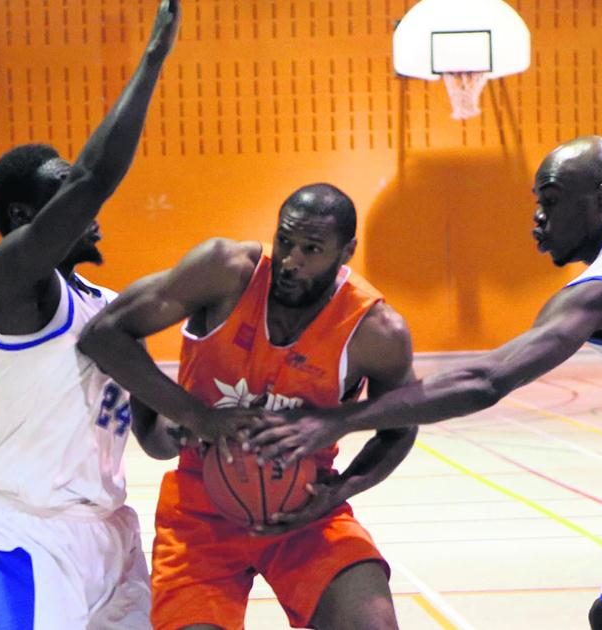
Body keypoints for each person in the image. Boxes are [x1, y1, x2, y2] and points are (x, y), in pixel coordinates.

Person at [247, 136, 602, 630]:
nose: (538, 217)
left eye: (551, 201)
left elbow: (484, 379)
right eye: (538, 202)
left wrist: (339, 419)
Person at [78, 182, 419, 630]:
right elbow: (105, 335)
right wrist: (194, 416)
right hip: (201, 512)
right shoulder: (226, 272)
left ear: (347, 250)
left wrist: (342, 490)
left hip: (305, 513)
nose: (291, 261)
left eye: (312, 249)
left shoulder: (376, 331)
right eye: (285, 241)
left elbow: (401, 426)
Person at [0, 2, 180, 628]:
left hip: (111, 534)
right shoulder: (11, 286)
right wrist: (154, 55)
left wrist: (200, 430)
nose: (86, 201)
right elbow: (96, 176)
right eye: (62, 188)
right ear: (26, 219)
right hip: (31, 538)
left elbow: (152, 437)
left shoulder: (110, 311)